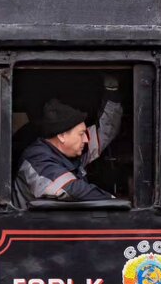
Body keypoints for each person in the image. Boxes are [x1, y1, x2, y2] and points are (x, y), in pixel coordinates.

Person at [14, 75, 123, 206]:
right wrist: (114, 201)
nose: (86, 139)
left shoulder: (70, 150)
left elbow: (105, 131)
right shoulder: (37, 159)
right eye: (81, 134)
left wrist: (112, 92)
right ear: (62, 136)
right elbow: (72, 189)